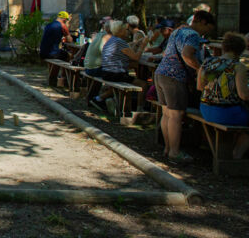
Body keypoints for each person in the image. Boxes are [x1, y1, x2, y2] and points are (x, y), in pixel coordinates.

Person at [154, 10, 216, 161]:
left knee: (167, 113)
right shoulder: (193, 35)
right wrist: (199, 68)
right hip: (175, 76)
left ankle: (168, 148)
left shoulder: (178, 31)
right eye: (208, 29)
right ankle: (175, 151)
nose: (206, 33)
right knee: (176, 115)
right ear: (202, 22)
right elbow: (188, 55)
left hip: (161, 73)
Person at [197, 32, 249, 158]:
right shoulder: (238, 67)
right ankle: (237, 156)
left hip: (205, 109)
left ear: (224, 47)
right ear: (240, 50)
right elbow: (244, 96)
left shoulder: (207, 62)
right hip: (225, 113)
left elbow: (199, 87)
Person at [87, 20, 151, 112]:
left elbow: (126, 51)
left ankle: (98, 99)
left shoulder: (112, 40)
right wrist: (143, 45)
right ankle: (139, 109)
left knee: (129, 73)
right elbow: (136, 57)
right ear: (120, 31)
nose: (127, 32)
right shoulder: (120, 42)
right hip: (115, 74)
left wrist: (137, 43)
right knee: (143, 84)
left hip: (106, 72)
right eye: (125, 30)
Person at [40, 11, 71, 86]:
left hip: (42, 52)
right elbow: (70, 40)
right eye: (66, 20)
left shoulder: (49, 25)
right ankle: (64, 78)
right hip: (52, 53)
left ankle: (53, 79)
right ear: (64, 19)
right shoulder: (62, 26)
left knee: (60, 54)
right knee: (68, 56)